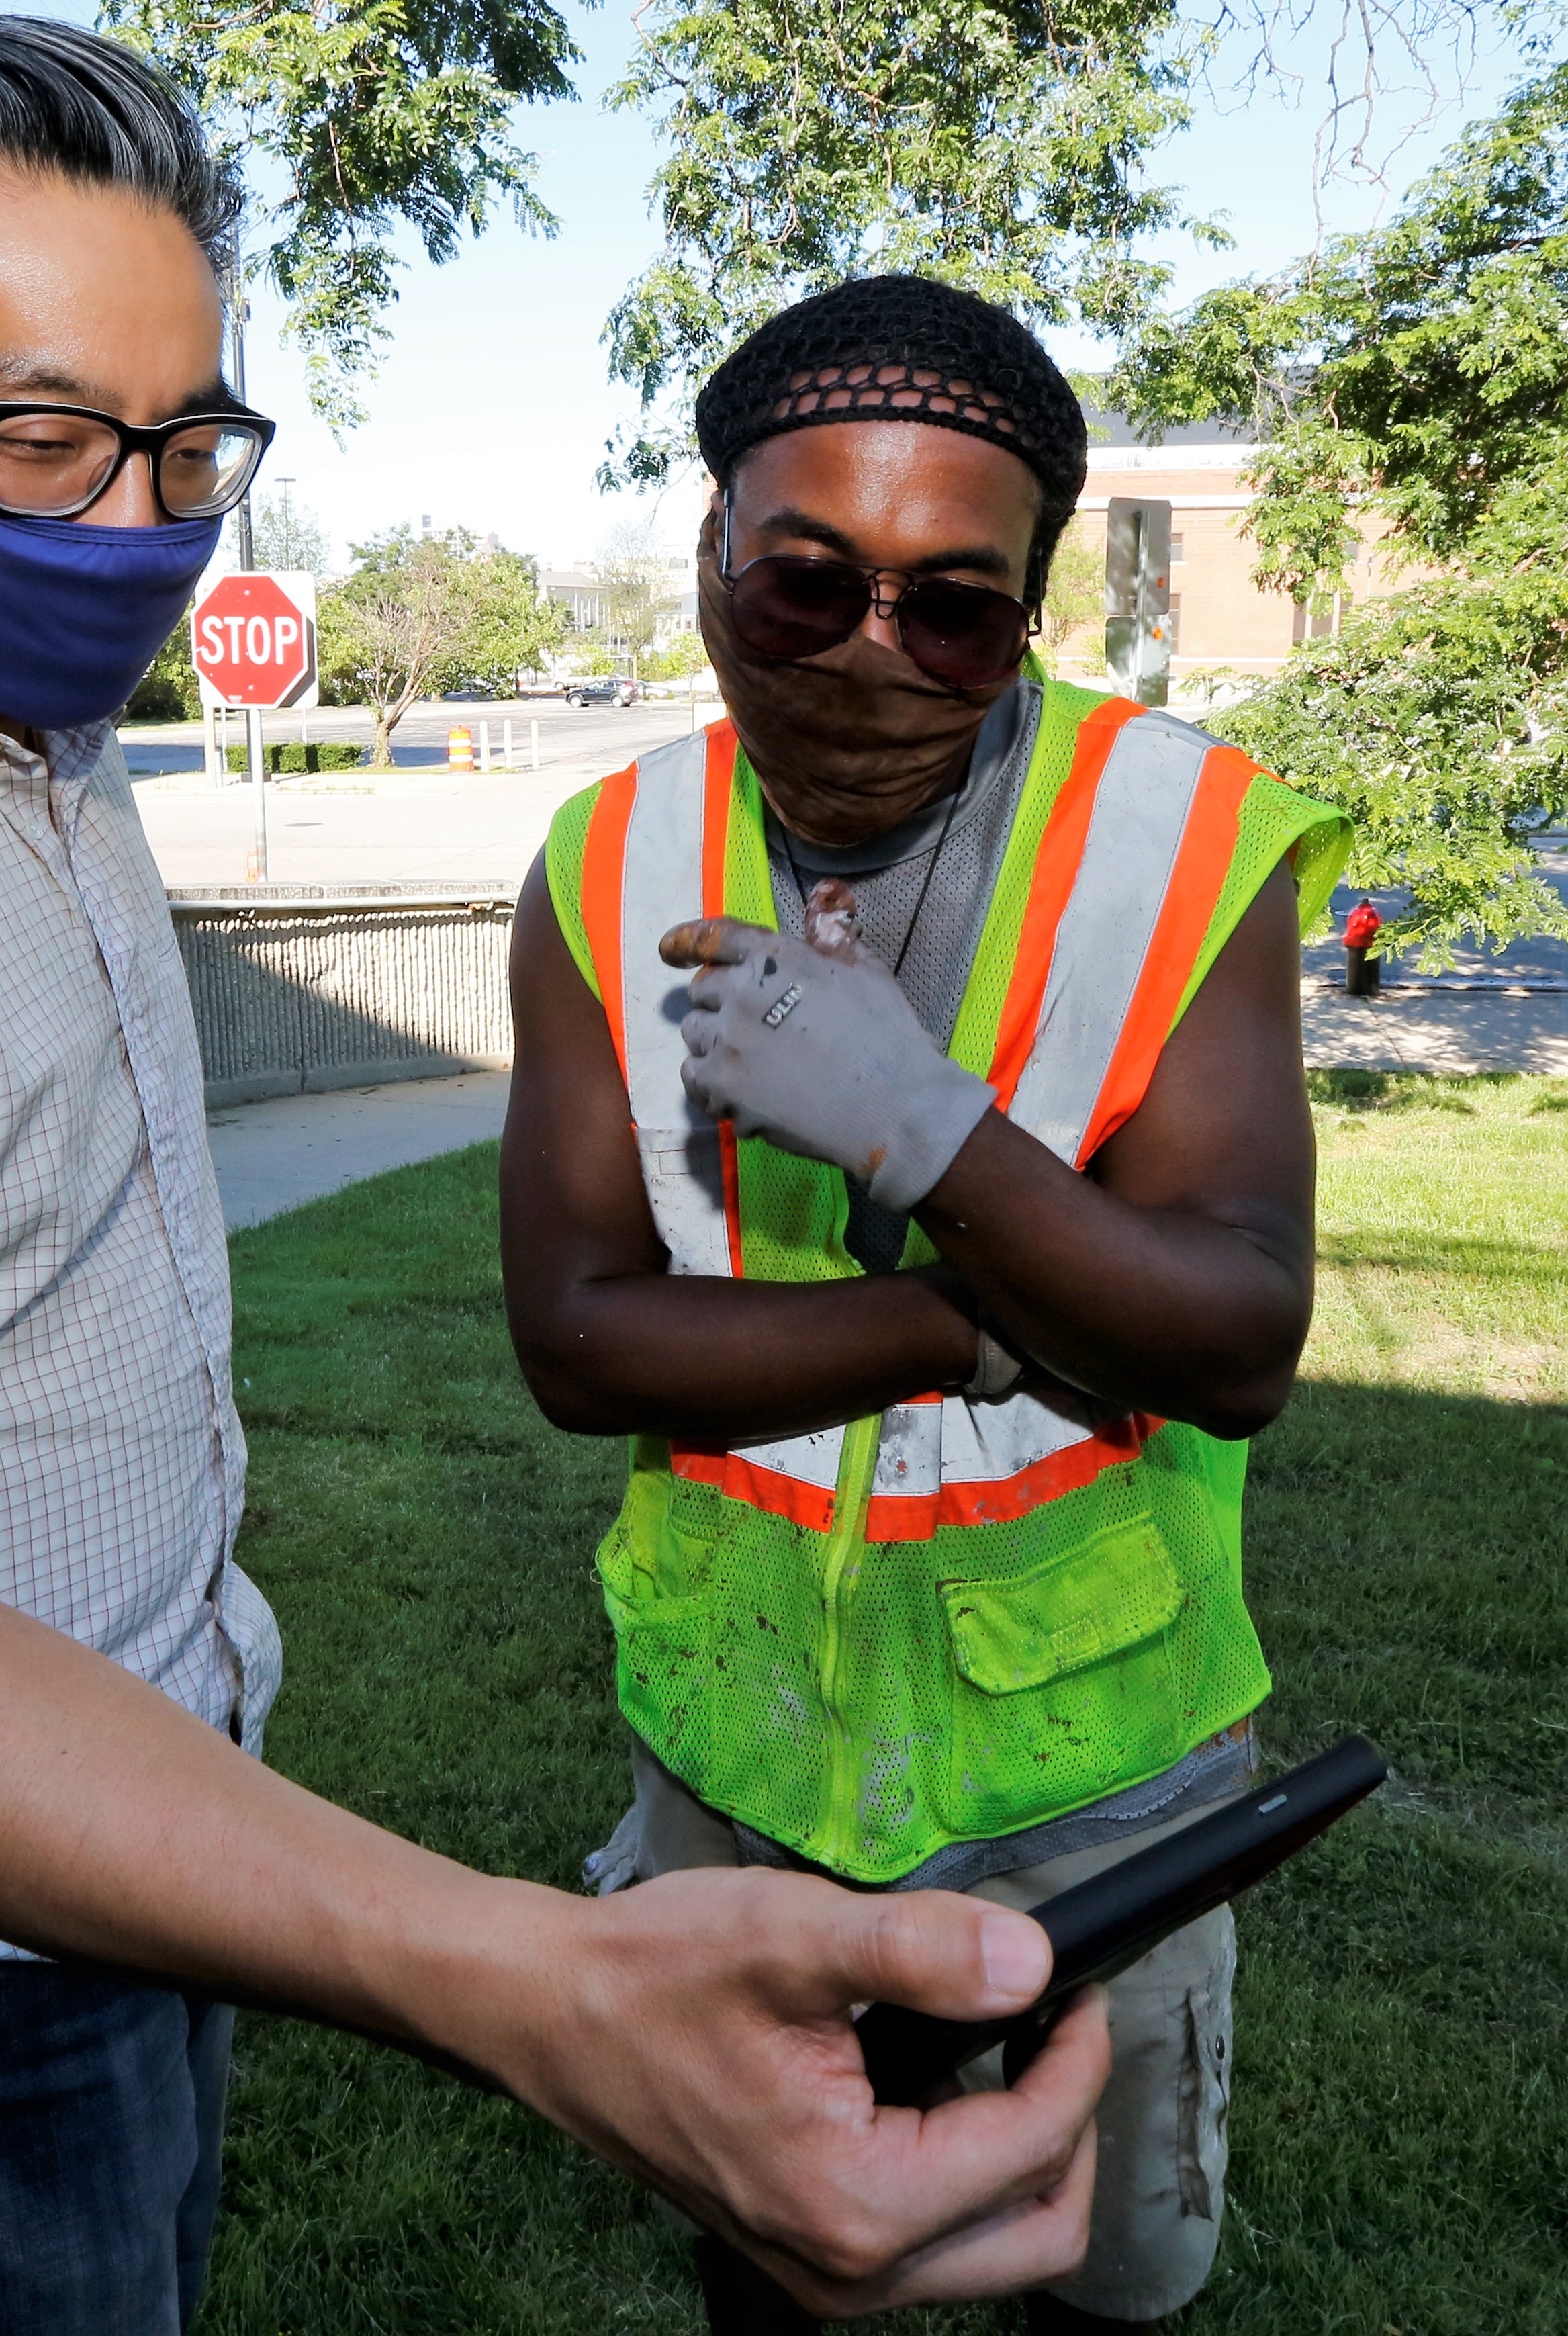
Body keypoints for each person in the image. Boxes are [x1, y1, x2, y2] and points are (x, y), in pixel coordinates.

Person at [0, 28, 1111, 2334]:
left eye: (189, 442)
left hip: (139, 1830)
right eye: (40, 436)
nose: (139, 524)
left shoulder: (21, 719)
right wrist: (524, 1981)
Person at [502, 277, 1352, 2333]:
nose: (876, 650)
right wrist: (972, 1323)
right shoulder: (604, 858)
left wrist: (930, 1136)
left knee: (1107, 2266)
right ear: (708, 560)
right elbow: (577, 1339)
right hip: (741, 1741)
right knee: (783, 2255)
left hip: (1094, 1772)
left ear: (1030, 614)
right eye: (804, 583)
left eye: (951, 608)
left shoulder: (1182, 836)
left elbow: (1231, 1347)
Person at [1343, 895, 1384, 995]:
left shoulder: (1356, 914)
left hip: (1357, 944)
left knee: (1357, 967)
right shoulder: (1373, 914)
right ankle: (1371, 990)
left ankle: (1354, 989)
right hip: (1369, 942)